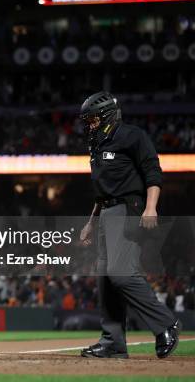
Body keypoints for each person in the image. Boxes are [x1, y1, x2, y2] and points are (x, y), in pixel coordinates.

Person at [78, 92, 178, 359]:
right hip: (106, 212)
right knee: (105, 279)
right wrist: (90, 222)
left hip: (128, 209)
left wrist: (151, 207)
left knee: (121, 273)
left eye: (93, 120)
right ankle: (112, 342)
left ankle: (165, 323)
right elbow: (102, 191)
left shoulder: (133, 136)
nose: (89, 125)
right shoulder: (97, 145)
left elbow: (153, 171)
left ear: (107, 116)